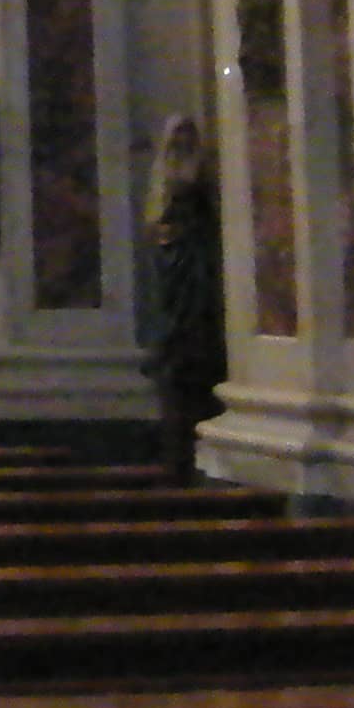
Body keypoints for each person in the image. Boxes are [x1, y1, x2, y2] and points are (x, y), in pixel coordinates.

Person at [141, 114, 224, 474]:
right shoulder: (168, 193)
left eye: (189, 139)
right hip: (177, 287)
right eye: (178, 140)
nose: (184, 146)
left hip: (199, 284)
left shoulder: (202, 189)